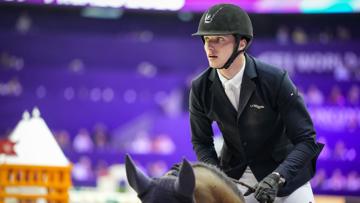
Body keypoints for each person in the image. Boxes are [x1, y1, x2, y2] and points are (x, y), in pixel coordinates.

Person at [189, 4, 324, 203]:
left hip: (285, 174)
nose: (210, 47)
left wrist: (277, 177)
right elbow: (202, 142)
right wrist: (216, 179)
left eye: (219, 39)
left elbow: (306, 140)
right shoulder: (200, 87)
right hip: (237, 174)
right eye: (207, 39)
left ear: (241, 44)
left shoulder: (274, 79)